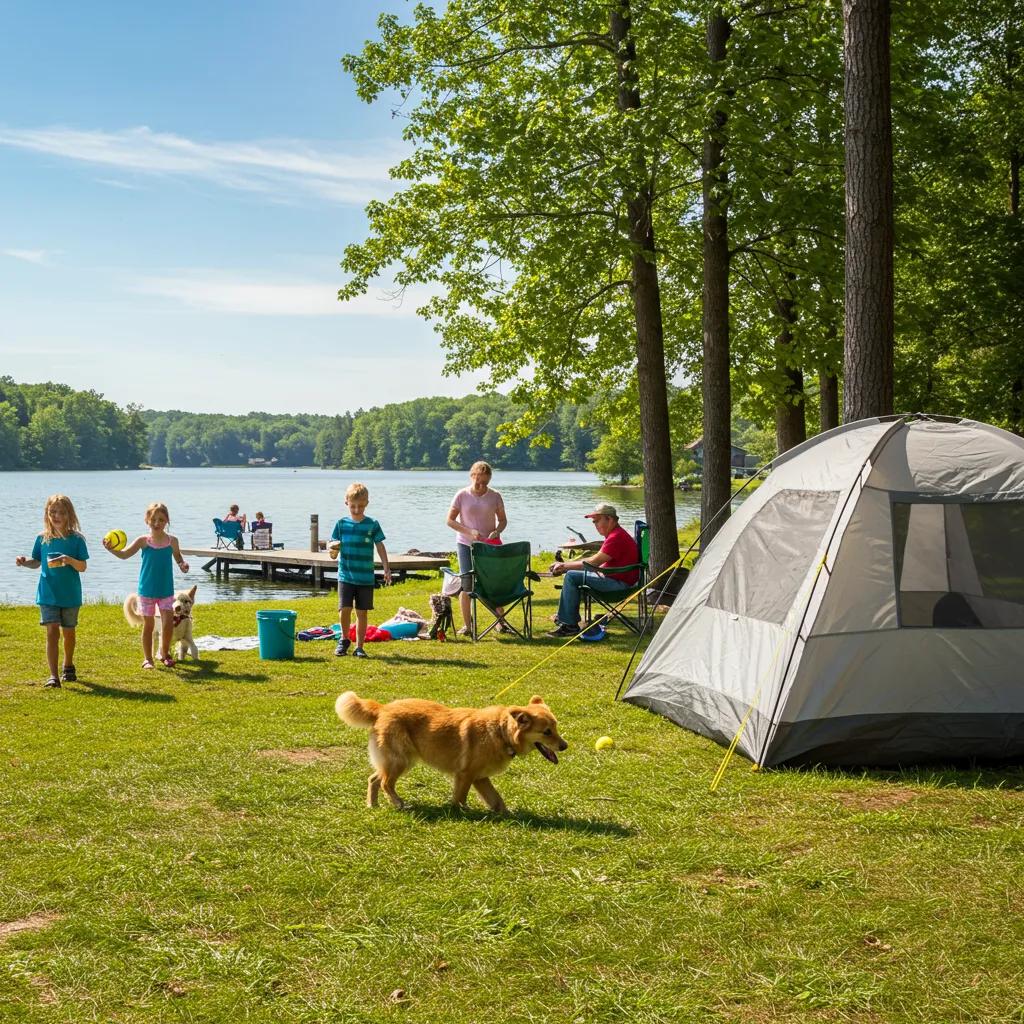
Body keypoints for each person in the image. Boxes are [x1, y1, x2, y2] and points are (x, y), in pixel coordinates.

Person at [104, 501, 190, 669]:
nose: (157, 523)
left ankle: (165, 654)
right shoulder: (143, 541)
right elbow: (124, 555)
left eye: (161, 520)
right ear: (147, 520)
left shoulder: (173, 541)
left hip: (166, 590)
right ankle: (147, 659)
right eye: (153, 519)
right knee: (149, 625)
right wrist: (111, 549)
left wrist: (182, 565)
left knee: (167, 624)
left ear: (167, 521)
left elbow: (179, 558)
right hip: (147, 591)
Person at [15, 494, 89, 687]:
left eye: (61, 512)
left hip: (70, 595)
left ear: (69, 515)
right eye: (52, 512)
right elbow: (36, 562)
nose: (56, 516)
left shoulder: (77, 539)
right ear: (47, 514)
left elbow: (82, 567)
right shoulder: (42, 539)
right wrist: (25, 563)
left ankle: (68, 665)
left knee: (69, 633)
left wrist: (69, 559)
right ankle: (53, 676)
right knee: (52, 632)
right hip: (48, 593)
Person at [548, 503, 639, 638]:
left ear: (610, 519)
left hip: (619, 585)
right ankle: (566, 619)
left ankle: (569, 624)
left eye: (597, 520)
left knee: (572, 576)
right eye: (593, 522)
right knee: (573, 575)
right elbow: (601, 563)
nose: (595, 524)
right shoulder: (616, 534)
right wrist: (566, 567)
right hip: (617, 579)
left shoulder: (616, 537)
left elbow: (594, 562)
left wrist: (564, 566)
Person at [446, 461, 508, 635]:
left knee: (492, 583)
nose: (481, 486)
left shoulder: (495, 496)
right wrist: (468, 531)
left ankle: (500, 622)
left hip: (488, 545)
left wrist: (497, 531)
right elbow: (449, 520)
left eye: (485, 483)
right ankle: (468, 625)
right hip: (466, 544)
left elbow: (503, 521)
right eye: (478, 482)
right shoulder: (462, 495)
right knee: (467, 584)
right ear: (472, 476)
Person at [330, 482, 392, 659]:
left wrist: (386, 567)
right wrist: (332, 549)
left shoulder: (372, 524)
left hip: (365, 576)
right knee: (344, 609)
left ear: (366, 503)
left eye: (361, 505)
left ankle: (360, 646)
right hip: (346, 575)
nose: (357, 509)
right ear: (346, 503)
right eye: (353, 506)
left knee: (362, 612)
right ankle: (344, 639)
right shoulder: (341, 524)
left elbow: (380, 545)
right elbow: (333, 544)